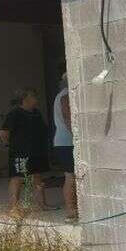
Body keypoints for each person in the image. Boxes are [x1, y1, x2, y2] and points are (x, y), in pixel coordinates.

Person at [0, 89, 50, 217]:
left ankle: (42, 204)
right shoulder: (15, 113)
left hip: (37, 152)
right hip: (20, 153)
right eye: (33, 96)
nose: (36, 98)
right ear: (25, 99)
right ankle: (13, 208)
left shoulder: (36, 113)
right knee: (18, 178)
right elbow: (4, 132)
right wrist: (8, 145)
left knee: (38, 177)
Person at [53, 75, 77, 221]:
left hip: (63, 142)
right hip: (67, 142)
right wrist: (78, 136)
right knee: (71, 177)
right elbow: (68, 119)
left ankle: (73, 209)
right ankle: (71, 211)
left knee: (72, 176)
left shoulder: (60, 94)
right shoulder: (65, 95)